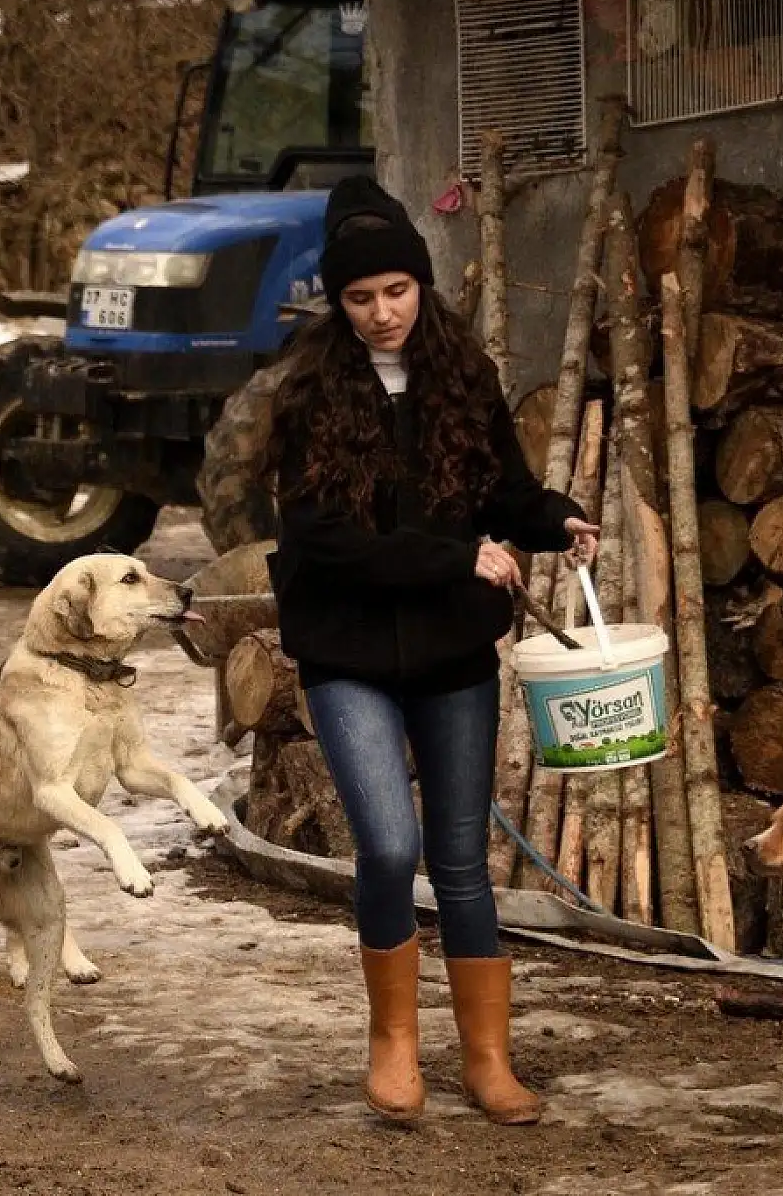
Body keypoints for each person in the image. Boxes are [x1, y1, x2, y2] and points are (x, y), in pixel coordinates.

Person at [265, 175, 599, 1126]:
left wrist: (555, 518)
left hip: (453, 653)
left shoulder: (462, 375)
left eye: (397, 292)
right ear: (338, 300)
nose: (381, 314)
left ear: (421, 284)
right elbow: (324, 538)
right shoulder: (310, 392)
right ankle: (395, 1045)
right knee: (388, 842)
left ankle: (488, 1060)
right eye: (361, 298)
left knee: (458, 859)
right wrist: (458, 557)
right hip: (349, 652)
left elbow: (501, 491)